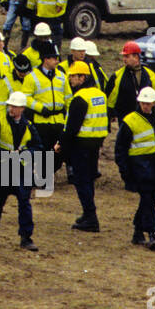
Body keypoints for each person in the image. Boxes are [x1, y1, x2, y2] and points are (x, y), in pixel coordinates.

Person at [0, 91, 42, 251]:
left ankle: (26, 238)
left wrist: (25, 152)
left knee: (24, 203)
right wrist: (3, 154)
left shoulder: (28, 126)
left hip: (20, 170)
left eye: (15, 106)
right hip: (2, 170)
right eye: (10, 106)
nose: (11, 109)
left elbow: (38, 146)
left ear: (22, 109)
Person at [114, 86, 155, 251]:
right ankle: (152, 233)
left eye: (148, 103)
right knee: (147, 199)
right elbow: (120, 148)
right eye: (143, 103)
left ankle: (138, 232)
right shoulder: (130, 121)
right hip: (139, 167)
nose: (145, 106)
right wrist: (124, 170)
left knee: (150, 199)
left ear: (154, 102)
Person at [58, 62, 108, 232]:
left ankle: (90, 216)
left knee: (82, 181)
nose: (70, 79)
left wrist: (61, 145)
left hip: (81, 145)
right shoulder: (99, 94)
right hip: (95, 144)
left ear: (83, 77)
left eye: (73, 76)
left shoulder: (79, 98)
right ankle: (88, 214)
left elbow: (71, 128)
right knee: (89, 180)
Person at [24, 46, 67, 176]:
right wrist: (40, 108)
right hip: (41, 121)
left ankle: (48, 172)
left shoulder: (62, 76)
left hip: (58, 120)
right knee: (42, 151)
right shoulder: (32, 77)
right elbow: (25, 97)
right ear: (45, 59)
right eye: (54, 58)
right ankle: (42, 176)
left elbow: (68, 97)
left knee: (59, 152)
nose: (57, 61)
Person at [106, 41, 155, 129]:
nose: (124, 59)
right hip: (125, 119)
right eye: (124, 56)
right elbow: (111, 98)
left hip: (145, 118)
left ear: (136, 57)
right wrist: (110, 114)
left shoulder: (150, 75)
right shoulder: (117, 76)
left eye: (127, 56)